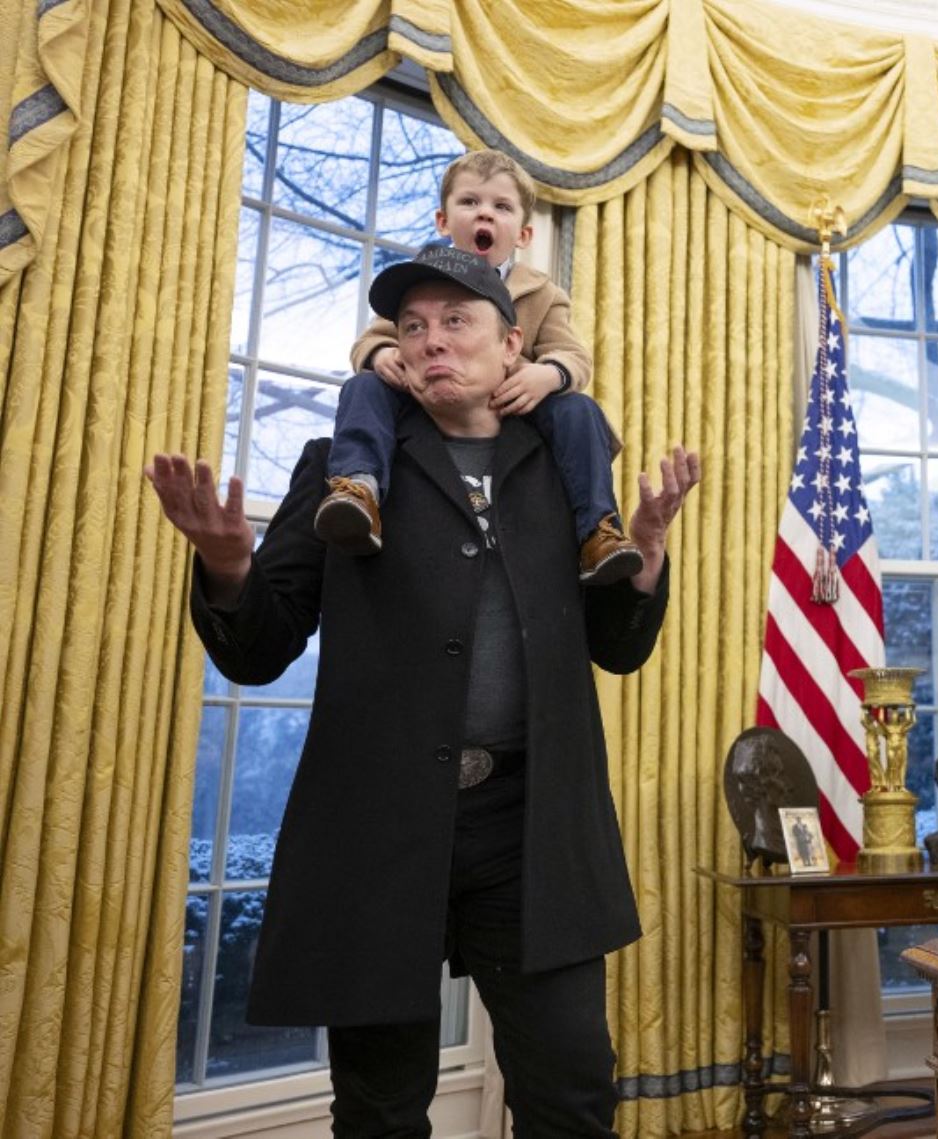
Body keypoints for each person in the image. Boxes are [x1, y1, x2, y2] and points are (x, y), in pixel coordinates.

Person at [146, 244, 700, 1136]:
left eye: (455, 322)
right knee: (379, 1105)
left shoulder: (564, 464)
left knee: (571, 1089)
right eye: (412, 326)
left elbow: (618, 651)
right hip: (378, 826)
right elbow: (259, 648)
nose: (429, 340)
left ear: (513, 346)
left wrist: (649, 553)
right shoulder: (344, 466)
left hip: (530, 830)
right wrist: (225, 562)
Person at [317, 148, 641, 586]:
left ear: (524, 234)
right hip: (430, 397)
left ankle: (598, 532)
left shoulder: (541, 292)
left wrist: (547, 374)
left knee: (580, 411)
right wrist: (381, 356)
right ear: (443, 221)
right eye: (470, 202)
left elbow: (574, 356)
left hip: (516, 400)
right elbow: (369, 340)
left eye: (501, 207)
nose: (484, 214)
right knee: (363, 388)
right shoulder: (419, 283)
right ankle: (359, 489)